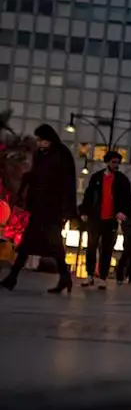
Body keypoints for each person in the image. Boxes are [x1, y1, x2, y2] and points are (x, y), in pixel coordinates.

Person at [1, 124, 77, 293]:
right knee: (29, 242)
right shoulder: (40, 155)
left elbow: (68, 183)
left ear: (49, 139)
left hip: (54, 207)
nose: (40, 143)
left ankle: (64, 277)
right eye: (39, 140)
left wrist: (68, 210)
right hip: (39, 206)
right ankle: (13, 277)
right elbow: (36, 176)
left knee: (54, 244)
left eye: (42, 140)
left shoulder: (62, 155)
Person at [78, 150, 131, 289]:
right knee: (91, 247)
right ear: (107, 162)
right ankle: (90, 275)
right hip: (95, 218)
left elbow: (127, 199)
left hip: (111, 219)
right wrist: (84, 211)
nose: (116, 165)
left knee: (107, 249)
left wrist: (123, 213)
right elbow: (88, 196)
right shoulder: (96, 178)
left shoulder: (122, 180)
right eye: (113, 162)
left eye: (118, 162)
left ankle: (102, 277)